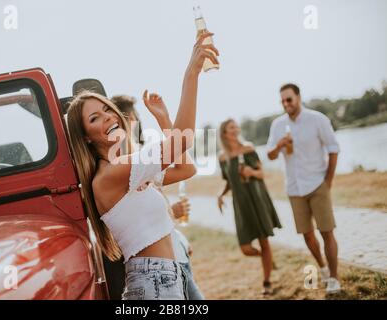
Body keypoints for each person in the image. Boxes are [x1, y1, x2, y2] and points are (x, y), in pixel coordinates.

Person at [66, 32, 219, 300]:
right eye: (94, 118)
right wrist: (191, 74)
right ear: (86, 137)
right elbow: (182, 141)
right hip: (154, 283)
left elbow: (186, 169)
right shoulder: (109, 175)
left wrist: (164, 119)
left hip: (164, 277)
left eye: (107, 109)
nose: (107, 117)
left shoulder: (127, 171)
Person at [112, 93, 205, 300]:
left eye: (132, 118)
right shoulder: (119, 168)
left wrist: (179, 238)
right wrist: (173, 212)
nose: (132, 124)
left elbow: (187, 169)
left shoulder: (142, 159)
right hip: (159, 270)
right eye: (126, 119)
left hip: (176, 256)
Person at [266, 83, 341, 294]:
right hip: (293, 188)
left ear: (298, 97)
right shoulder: (277, 125)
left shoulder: (317, 119)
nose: (286, 104)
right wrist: (280, 144)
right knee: (307, 235)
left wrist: (328, 181)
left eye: (289, 99)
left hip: (317, 184)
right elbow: (270, 155)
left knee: (326, 232)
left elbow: (333, 149)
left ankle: (335, 278)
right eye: (282, 101)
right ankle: (324, 269)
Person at [217, 118, 282, 295]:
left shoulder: (249, 149)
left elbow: (261, 174)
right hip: (241, 204)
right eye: (231, 127)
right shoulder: (223, 158)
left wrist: (250, 172)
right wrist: (221, 195)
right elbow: (229, 182)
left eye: (236, 126)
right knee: (245, 248)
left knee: (264, 241)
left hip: (257, 199)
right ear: (224, 133)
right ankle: (266, 260)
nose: (236, 129)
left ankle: (267, 282)